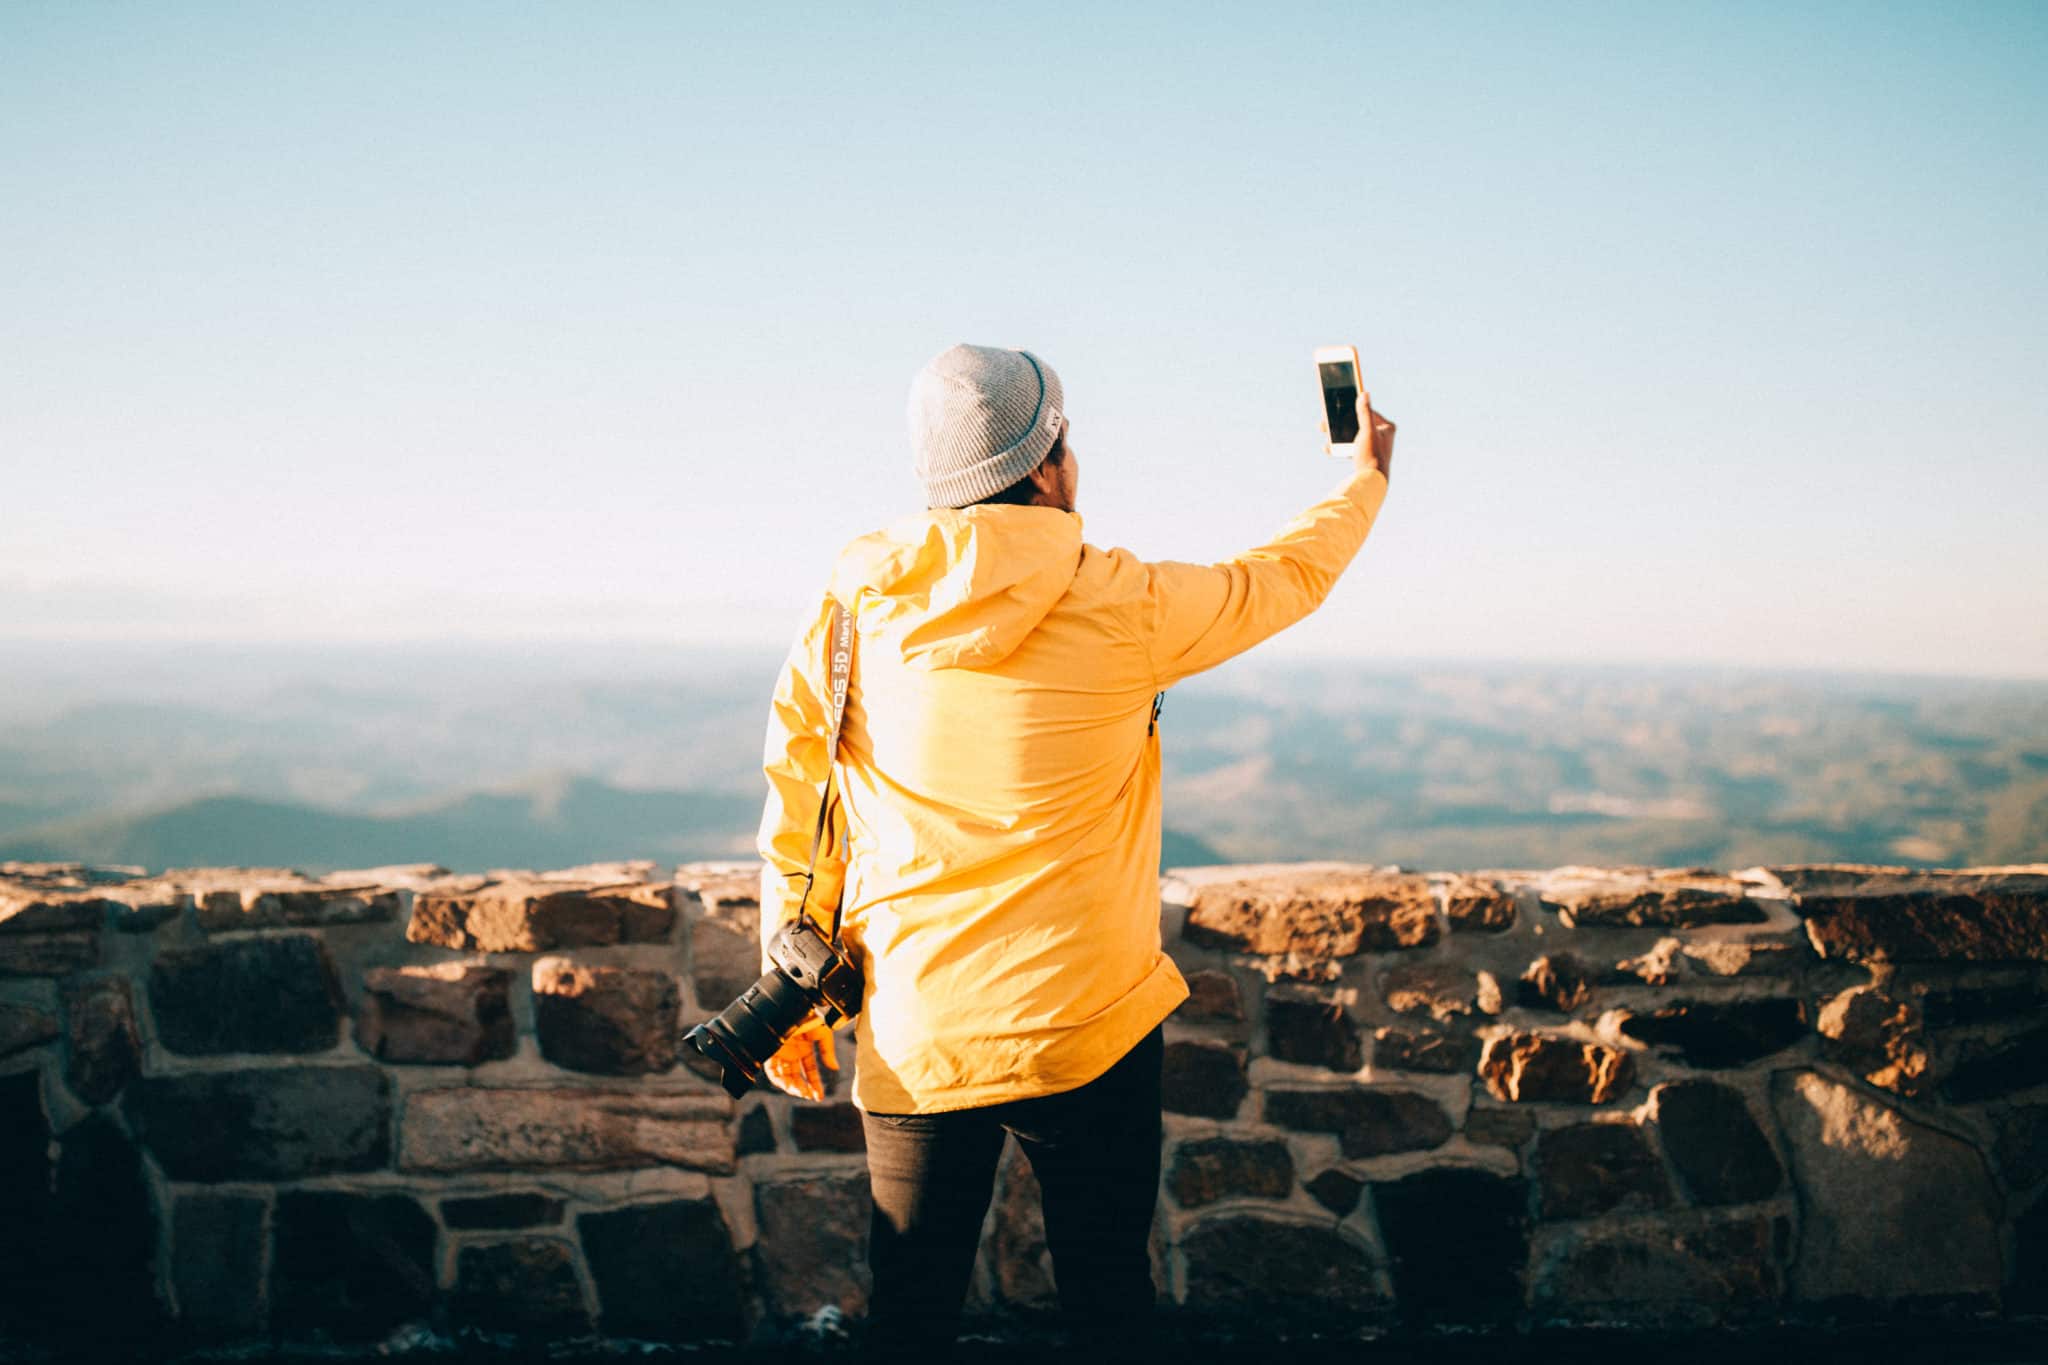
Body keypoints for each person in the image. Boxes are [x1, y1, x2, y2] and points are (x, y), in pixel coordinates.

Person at [752, 343, 1394, 1355]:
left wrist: (783, 949)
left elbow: (803, 784)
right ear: (1048, 463)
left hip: (922, 1022)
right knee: (1104, 1295)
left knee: (910, 1310)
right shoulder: (1122, 603)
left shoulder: (853, 609)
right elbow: (1284, 577)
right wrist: (1361, 480)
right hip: (1085, 1017)